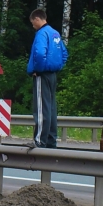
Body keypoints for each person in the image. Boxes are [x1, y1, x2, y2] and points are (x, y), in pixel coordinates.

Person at [26, 9, 68, 148]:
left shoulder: (41, 34)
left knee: (41, 107)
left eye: (33, 23)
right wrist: (57, 67)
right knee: (51, 107)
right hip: (53, 74)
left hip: (42, 75)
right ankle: (51, 140)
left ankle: (39, 140)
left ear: (37, 19)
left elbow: (39, 53)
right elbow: (64, 53)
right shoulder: (55, 33)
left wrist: (38, 69)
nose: (33, 26)